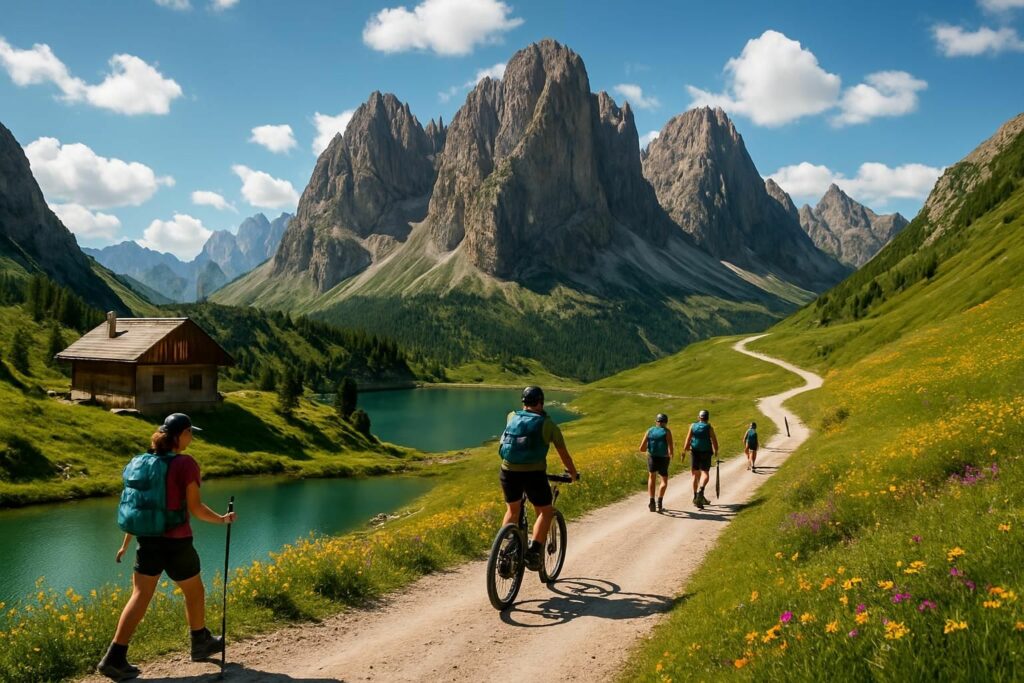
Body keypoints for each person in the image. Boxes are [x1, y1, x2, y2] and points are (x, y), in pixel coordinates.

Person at [97, 413, 237, 681]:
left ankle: (114, 657)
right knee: (194, 591)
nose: (192, 438)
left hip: (147, 540)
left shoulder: (143, 462)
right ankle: (200, 641)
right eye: (190, 433)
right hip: (176, 542)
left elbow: (138, 508)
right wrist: (222, 519)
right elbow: (195, 508)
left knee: (139, 596)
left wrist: (126, 543)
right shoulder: (185, 464)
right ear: (181, 435)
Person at [498, 386, 579, 571]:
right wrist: (573, 474)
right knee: (546, 511)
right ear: (541, 402)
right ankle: (534, 552)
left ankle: (505, 551)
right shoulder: (547, 424)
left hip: (508, 471)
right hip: (533, 474)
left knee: (512, 510)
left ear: (523, 402)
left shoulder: (512, 416)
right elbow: (564, 455)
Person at [682, 409, 718, 510]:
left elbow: (688, 439)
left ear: (699, 417)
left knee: (695, 474)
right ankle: (700, 492)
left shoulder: (693, 426)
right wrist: (716, 450)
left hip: (695, 452)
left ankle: (695, 496)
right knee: (705, 473)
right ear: (707, 418)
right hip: (706, 452)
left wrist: (684, 451)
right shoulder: (709, 427)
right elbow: (714, 440)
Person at [638, 413, 674, 512]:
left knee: (651, 477)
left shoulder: (650, 430)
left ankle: (652, 501)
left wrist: (649, 449)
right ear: (666, 422)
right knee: (664, 481)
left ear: (656, 421)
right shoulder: (667, 431)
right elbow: (670, 449)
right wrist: (670, 456)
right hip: (663, 458)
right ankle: (660, 501)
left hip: (652, 457)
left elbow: (641, 448)